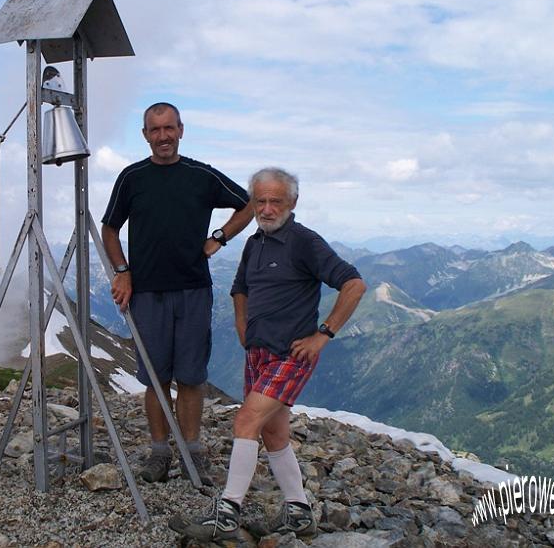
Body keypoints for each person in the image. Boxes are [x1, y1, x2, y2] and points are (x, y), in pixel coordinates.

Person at [169, 167, 367, 540]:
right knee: (274, 432)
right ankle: (299, 512)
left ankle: (227, 513)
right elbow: (239, 287)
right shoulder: (254, 243)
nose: (267, 208)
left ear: (293, 202)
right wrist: (242, 324)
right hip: (258, 353)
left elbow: (354, 284)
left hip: (291, 354)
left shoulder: (305, 242)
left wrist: (323, 335)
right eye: (260, 200)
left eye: (276, 200)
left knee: (245, 422)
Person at [101, 102, 253, 486]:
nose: (163, 136)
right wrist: (122, 271)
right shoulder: (131, 177)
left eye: (169, 128)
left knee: (190, 375)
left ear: (181, 130)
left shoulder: (200, 175)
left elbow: (248, 205)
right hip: (147, 292)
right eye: (155, 130)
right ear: (145, 135)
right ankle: (159, 453)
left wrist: (219, 238)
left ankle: (192, 450)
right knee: (155, 377)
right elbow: (109, 229)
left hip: (193, 290)